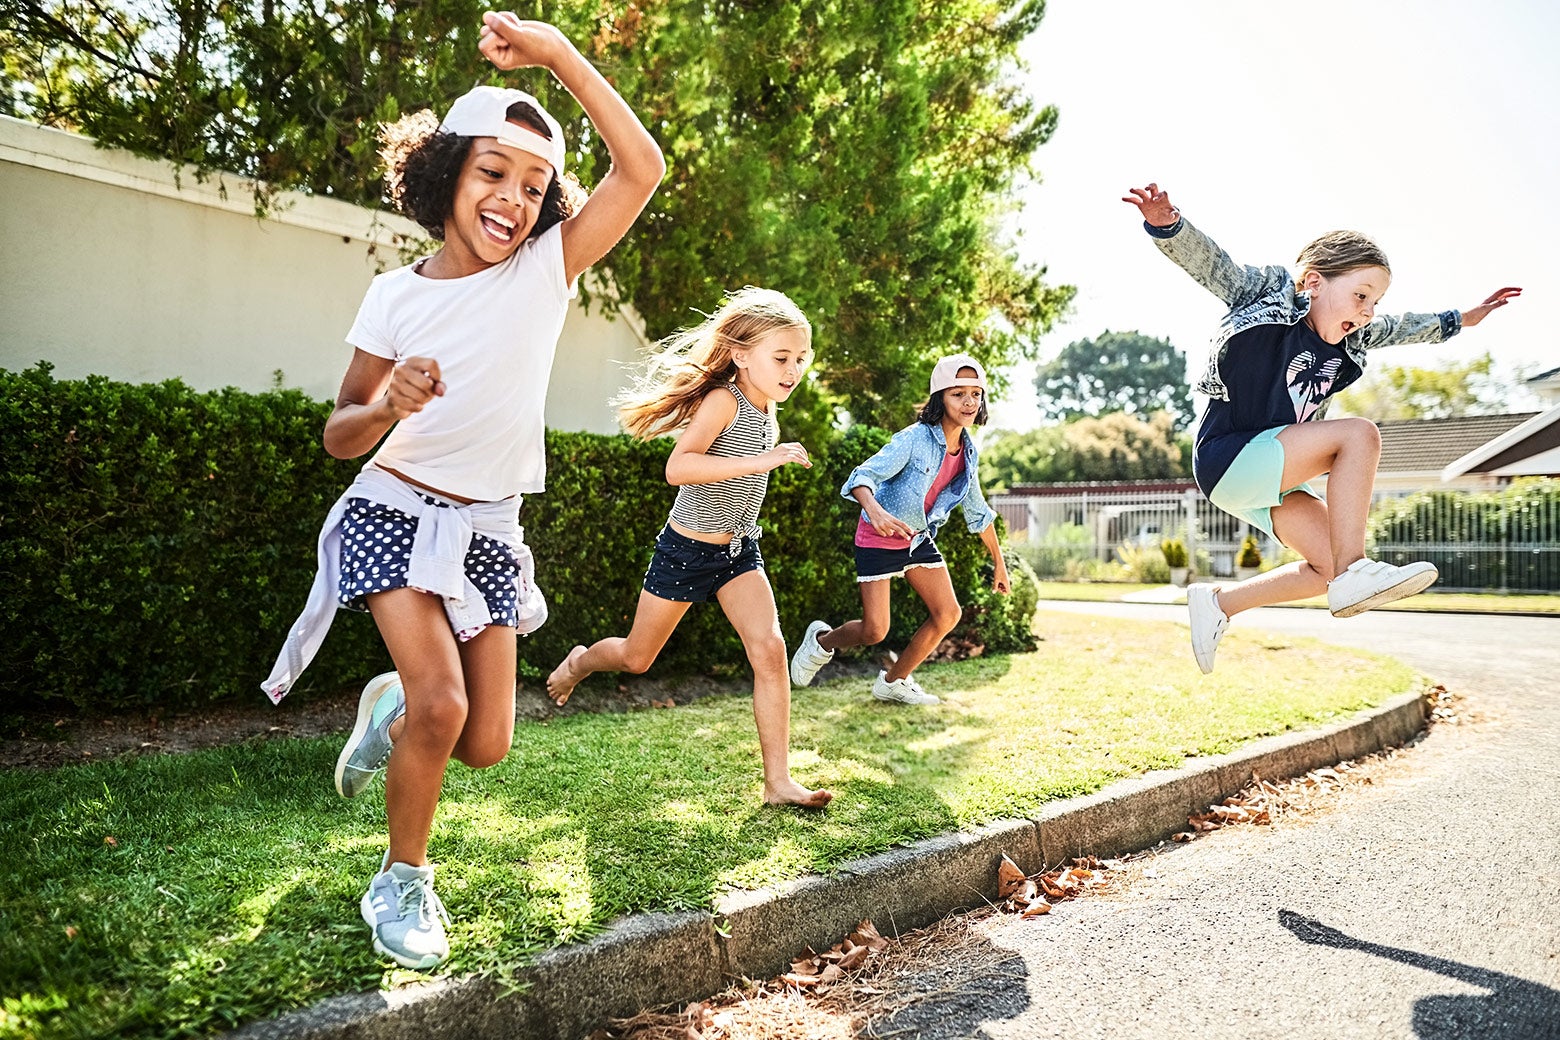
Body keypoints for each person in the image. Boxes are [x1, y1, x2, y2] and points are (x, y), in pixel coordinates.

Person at [260, 12, 665, 970]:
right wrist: (390, 404)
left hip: (488, 526)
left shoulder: (544, 271)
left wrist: (558, 55)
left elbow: (640, 170)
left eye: (534, 186)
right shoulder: (395, 298)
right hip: (390, 507)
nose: (513, 201)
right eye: (493, 173)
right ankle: (401, 879)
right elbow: (338, 434)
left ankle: (388, 704)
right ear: (444, 173)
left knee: (483, 742)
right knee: (446, 709)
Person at [1122, 182, 1521, 673]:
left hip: (1265, 479)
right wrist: (1168, 225)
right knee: (1359, 435)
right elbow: (1214, 266)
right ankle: (1357, 570)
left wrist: (1463, 319)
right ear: (1312, 282)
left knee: (1324, 566)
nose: (1367, 312)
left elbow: (1402, 326)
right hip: (1229, 456)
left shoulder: (1357, 338)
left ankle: (1219, 604)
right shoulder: (1267, 294)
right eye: (1360, 295)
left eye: (1373, 302)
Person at [544, 287, 833, 810]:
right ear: (742, 355)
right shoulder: (726, 400)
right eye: (782, 358)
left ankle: (778, 783)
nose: (793, 369)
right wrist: (764, 462)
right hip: (687, 551)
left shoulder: (767, 408)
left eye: (800, 359)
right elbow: (679, 467)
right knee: (637, 657)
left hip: (737, 553)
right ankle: (581, 662)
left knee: (769, 651)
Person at [789, 355, 1011, 705]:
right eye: (958, 394)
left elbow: (978, 512)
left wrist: (999, 562)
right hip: (878, 537)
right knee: (875, 630)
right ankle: (821, 642)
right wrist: (875, 512)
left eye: (975, 394)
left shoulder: (968, 453)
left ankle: (894, 681)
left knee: (948, 613)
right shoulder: (914, 438)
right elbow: (861, 477)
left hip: (917, 539)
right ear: (940, 397)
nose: (969, 402)